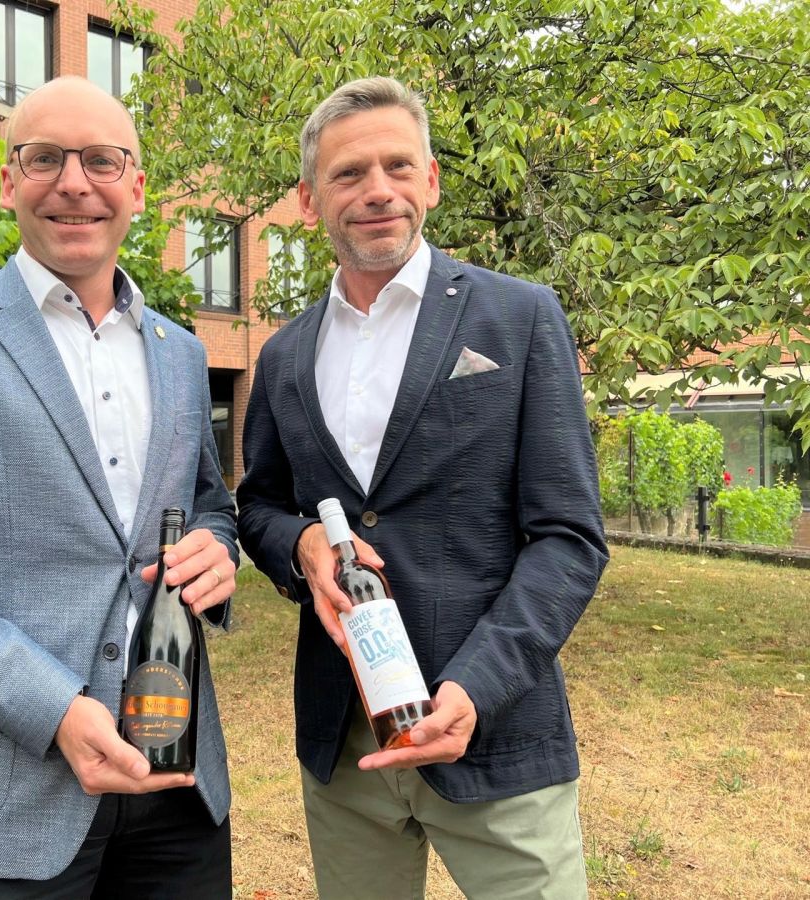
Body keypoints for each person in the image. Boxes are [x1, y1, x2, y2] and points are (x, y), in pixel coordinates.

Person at [0, 75, 238, 898]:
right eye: (45, 158)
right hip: (6, 793)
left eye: (102, 160)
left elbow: (206, 504)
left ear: (137, 188)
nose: (74, 182)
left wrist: (218, 549)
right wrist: (52, 707)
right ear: (7, 182)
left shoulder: (181, 352)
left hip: (179, 783)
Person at [236, 76, 608, 899]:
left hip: (495, 730)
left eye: (398, 166)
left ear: (431, 181)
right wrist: (301, 544)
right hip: (345, 744)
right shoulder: (285, 356)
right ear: (309, 200)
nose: (377, 190)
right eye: (348, 173)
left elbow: (569, 537)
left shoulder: (520, 318)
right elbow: (257, 507)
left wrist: (478, 685)